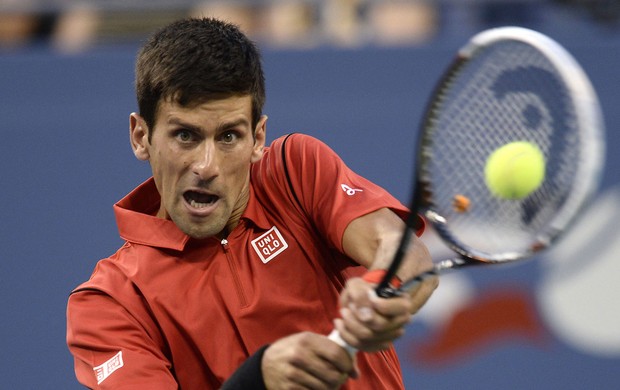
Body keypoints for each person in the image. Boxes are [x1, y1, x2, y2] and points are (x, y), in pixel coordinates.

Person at [66, 17, 437, 390]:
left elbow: (404, 253)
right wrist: (256, 380)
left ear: (258, 138)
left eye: (229, 136)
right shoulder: (109, 303)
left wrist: (382, 291)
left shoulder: (295, 172)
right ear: (141, 136)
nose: (207, 166)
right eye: (185, 135)